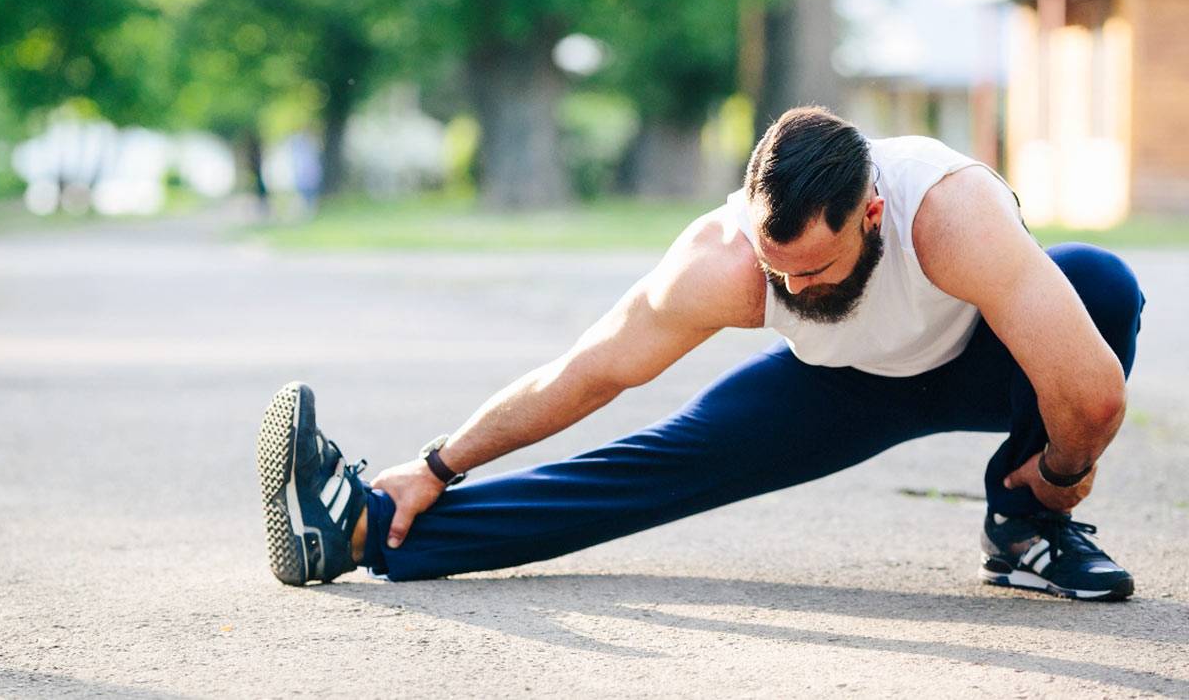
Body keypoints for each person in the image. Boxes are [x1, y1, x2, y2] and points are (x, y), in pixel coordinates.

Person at [256, 106, 1144, 601]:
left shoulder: (950, 214)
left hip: (987, 362)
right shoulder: (723, 262)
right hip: (844, 385)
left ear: (871, 213)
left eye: (814, 268)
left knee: (1099, 284)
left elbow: (1093, 395)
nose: (789, 293)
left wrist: (1055, 474)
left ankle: (1027, 534)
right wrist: (441, 461)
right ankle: (361, 527)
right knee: (651, 464)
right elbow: (590, 369)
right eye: (774, 269)